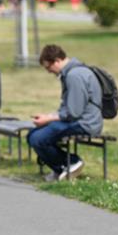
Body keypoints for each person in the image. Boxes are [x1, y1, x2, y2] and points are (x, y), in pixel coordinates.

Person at [28, 44, 102, 182]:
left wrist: (48, 119)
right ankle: (61, 168)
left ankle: (72, 162)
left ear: (57, 60)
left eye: (48, 67)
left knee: (38, 138)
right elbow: (68, 110)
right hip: (77, 121)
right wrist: (48, 117)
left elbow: (74, 112)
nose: (49, 71)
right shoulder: (70, 73)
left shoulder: (74, 75)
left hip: (85, 124)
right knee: (31, 135)